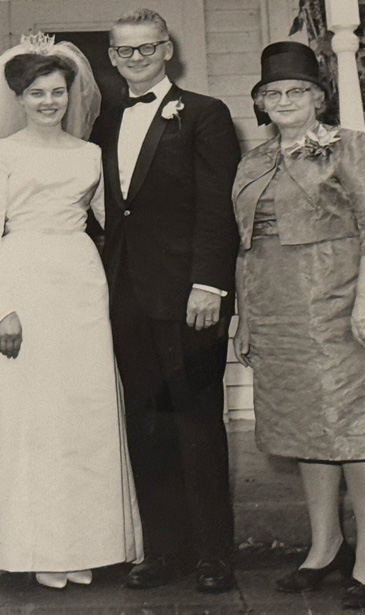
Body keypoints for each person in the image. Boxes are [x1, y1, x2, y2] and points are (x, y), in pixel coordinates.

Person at [0, 37, 143, 589]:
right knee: (31, 417)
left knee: (84, 413)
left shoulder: (87, 155)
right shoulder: (3, 155)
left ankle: (86, 545)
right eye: (37, 93)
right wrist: (4, 307)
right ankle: (34, 547)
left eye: (58, 92)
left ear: (71, 95)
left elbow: (116, 220)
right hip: (23, 280)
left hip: (80, 282)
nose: (50, 102)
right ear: (20, 98)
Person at [232, 41, 365, 610]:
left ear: (318, 98)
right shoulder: (253, 161)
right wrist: (245, 314)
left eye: (297, 91)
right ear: (262, 103)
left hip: (342, 303)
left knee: (356, 425)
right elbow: (245, 245)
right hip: (278, 310)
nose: (284, 100)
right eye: (273, 93)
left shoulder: (349, 147)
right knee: (304, 429)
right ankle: (323, 545)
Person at [95, 9, 242, 593]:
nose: (135, 59)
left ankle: (212, 554)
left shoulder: (205, 114)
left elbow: (217, 205)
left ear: (167, 50)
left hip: (188, 296)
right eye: (123, 51)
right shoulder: (102, 121)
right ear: (111, 56)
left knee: (198, 419)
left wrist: (209, 283)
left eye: (145, 49)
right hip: (125, 293)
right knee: (146, 421)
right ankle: (163, 550)